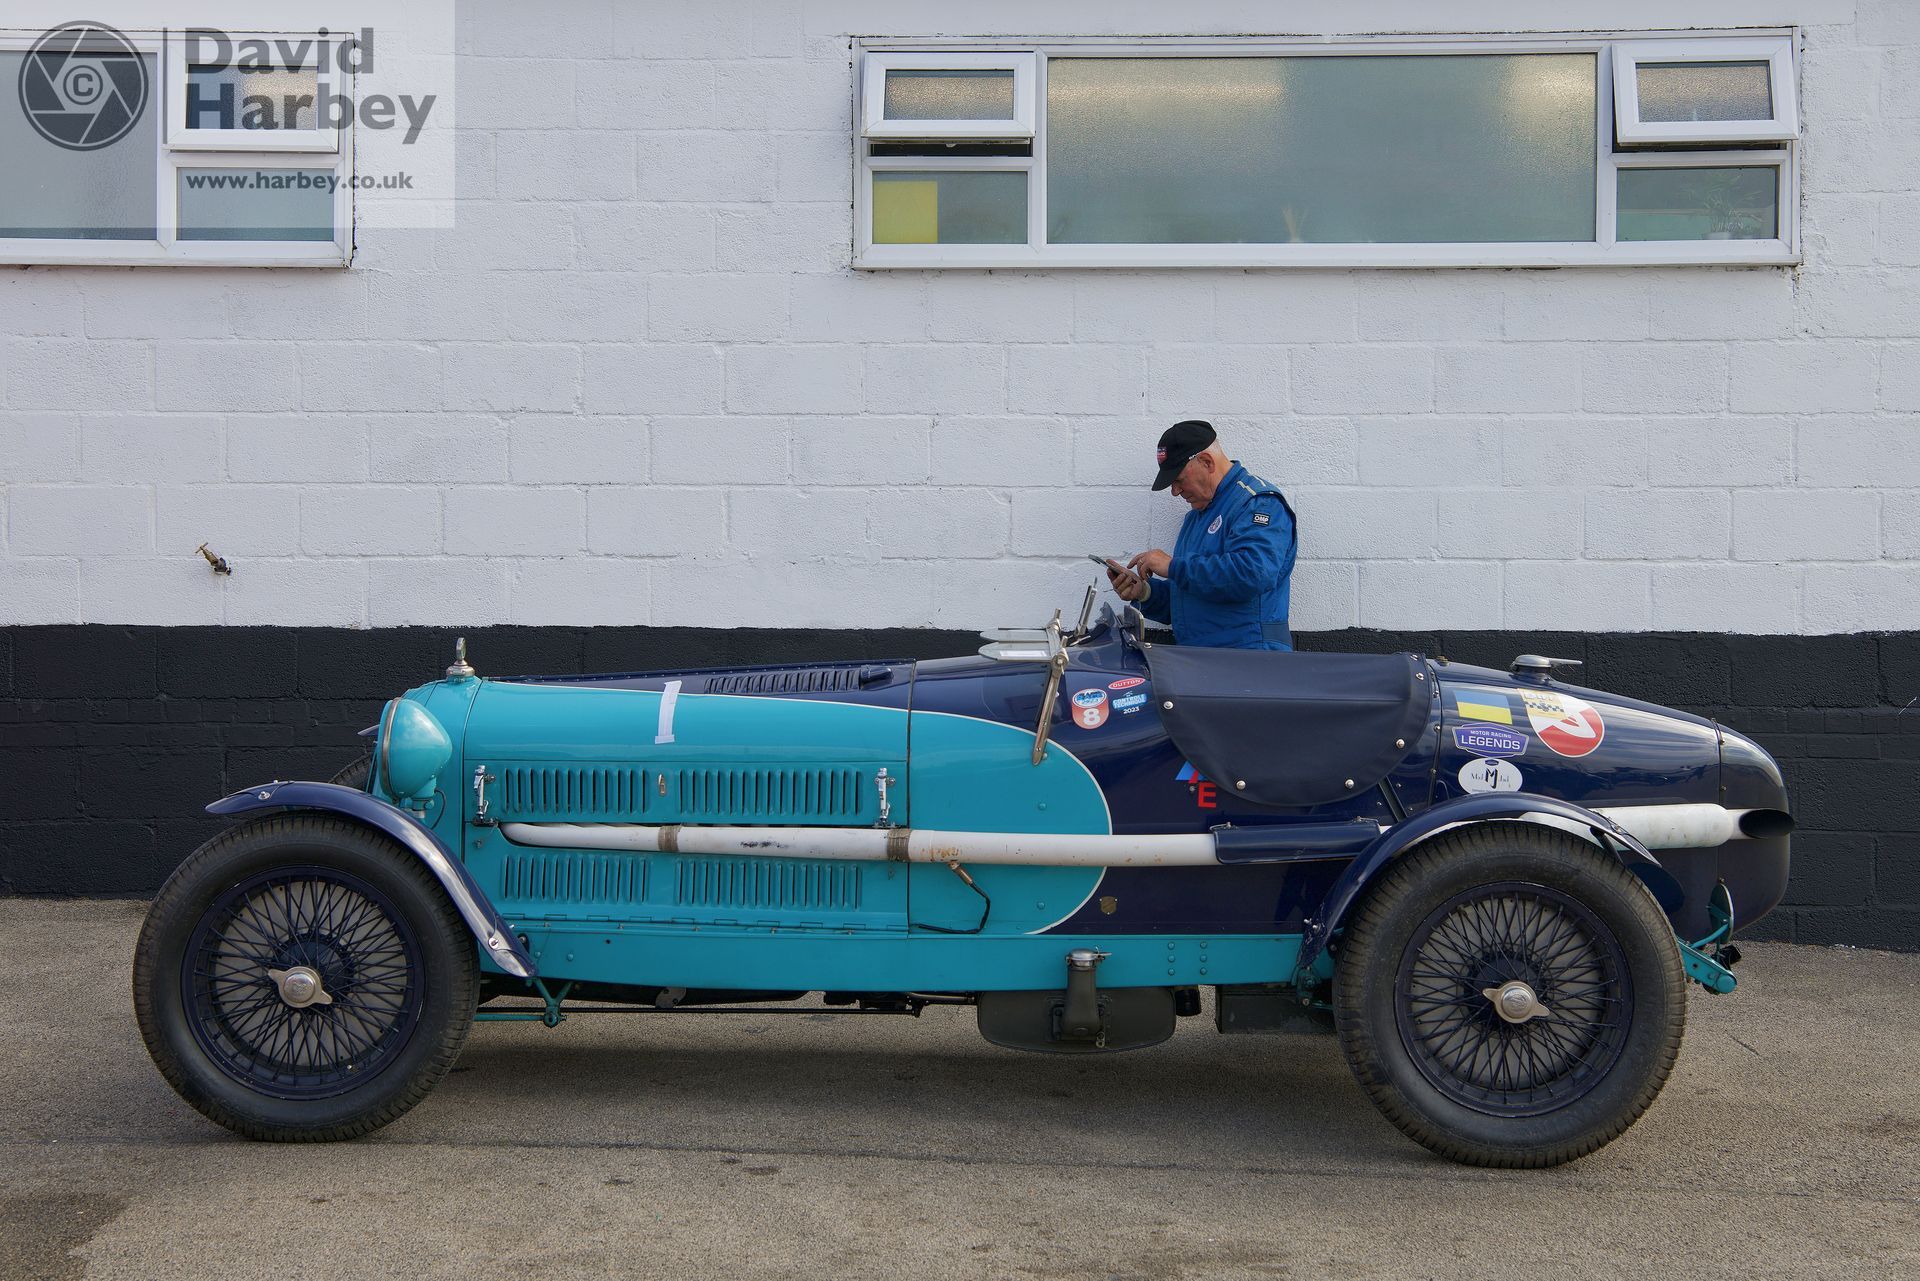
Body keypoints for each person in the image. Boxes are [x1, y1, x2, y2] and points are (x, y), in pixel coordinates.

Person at [1106, 420, 1298, 651]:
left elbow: (1253, 573)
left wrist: (1173, 566)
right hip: (1203, 659)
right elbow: (1191, 599)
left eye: (1178, 480)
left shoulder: (1258, 503)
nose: (1175, 492)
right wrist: (1145, 592)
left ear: (1207, 462)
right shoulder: (1196, 518)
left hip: (1249, 660)